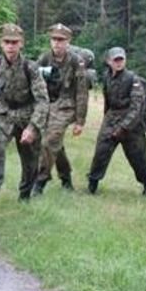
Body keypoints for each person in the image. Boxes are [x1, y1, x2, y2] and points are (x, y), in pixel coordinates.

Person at [0, 23, 48, 216]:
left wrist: (33, 128)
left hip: (27, 115)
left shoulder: (30, 68)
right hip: (5, 115)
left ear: (21, 44)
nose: (11, 46)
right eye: (7, 42)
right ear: (1, 43)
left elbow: (42, 100)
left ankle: (25, 194)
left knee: (31, 161)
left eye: (14, 42)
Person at [87, 47, 146, 196]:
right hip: (112, 119)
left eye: (121, 59)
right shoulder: (107, 77)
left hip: (132, 123)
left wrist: (125, 127)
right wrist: (107, 119)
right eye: (115, 60)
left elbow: (137, 106)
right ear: (108, 61)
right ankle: (92, 183)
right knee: (101, 151)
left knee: (139, 156)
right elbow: (107, 101)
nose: (118, 63)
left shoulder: (133, 79)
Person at [33, 23, 88, 195]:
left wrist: (80, 120)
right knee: (56, 144)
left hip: (66, 107)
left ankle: (40, 181)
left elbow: (81, 92)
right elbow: (33, 81)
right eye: (54, 39)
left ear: (68, 41)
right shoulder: (44, 58)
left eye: (61, 40)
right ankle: (66, 179)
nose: (57, 43)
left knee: (49, 142)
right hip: (47, 105)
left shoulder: (75, 61)